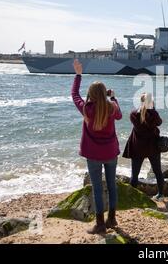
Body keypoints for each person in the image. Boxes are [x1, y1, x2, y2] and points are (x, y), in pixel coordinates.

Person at [71, 59, 122, 234]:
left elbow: (75, 95)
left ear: (91, 95)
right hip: (110, 153)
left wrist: (78, 75)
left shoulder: (87, 109)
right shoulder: (112, 107)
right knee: (112, 185)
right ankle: (112, 219)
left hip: (93, 155)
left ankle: (100, 224)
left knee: (97, 188)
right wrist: (112, 97)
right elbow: (120, 115)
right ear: (104, 93)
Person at [122, 93, 165, 200]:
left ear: (141, 101)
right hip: (153, 146)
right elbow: (159, 122)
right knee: (157, 171)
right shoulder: (153, 114)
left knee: (135, 174)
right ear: (151, 102)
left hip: (138, 147)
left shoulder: (133, 114)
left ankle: (132, 198)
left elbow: (140, 122)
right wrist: (153, 109)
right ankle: (160, 195)